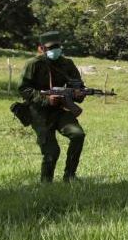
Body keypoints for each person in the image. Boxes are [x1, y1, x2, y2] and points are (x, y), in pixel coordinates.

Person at [19, 31, 86, 183]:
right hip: (39, 113)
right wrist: (46, 99)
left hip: (60, 110)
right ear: (41, 48)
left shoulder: (67, 64)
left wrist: (78, 93)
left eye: (57, 46)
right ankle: (46, 183)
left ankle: (70, 175)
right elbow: (24, 89)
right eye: (50, 48)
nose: (54, 50)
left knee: (78, 135)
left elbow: (76, 85)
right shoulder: (33, 64)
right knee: (52, 151)